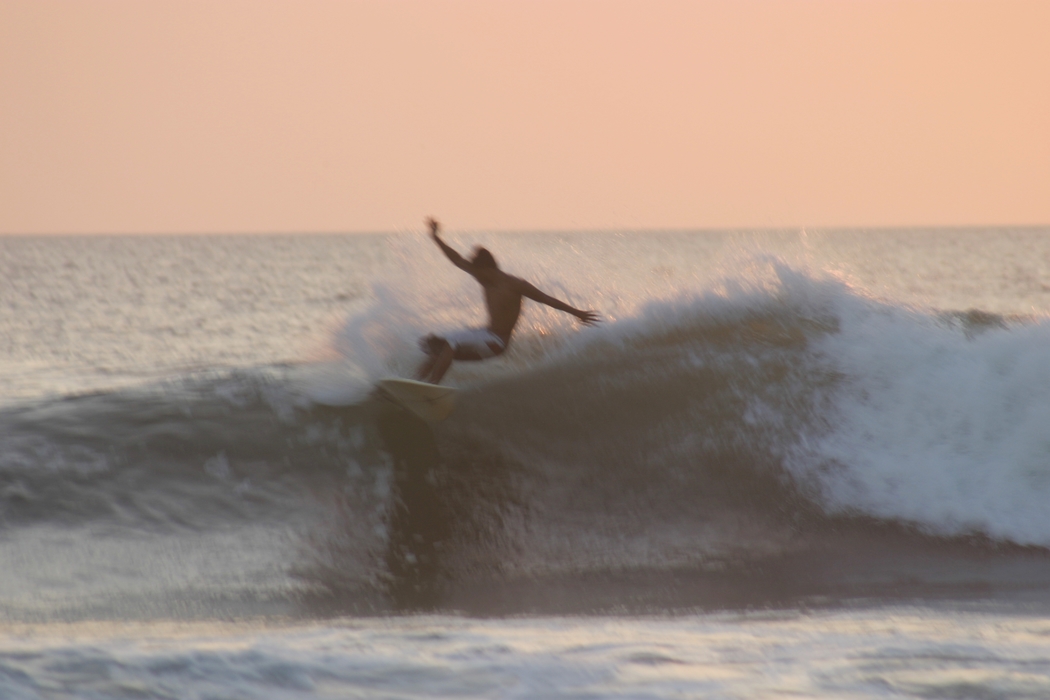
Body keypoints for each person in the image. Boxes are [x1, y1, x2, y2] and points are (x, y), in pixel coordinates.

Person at [416, 217, 600, 384]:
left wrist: (578, 313)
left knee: (450, 344)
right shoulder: (484, 278)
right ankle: (414, 383)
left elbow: (547, 299)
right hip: (483, 334)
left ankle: (431, 386)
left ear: (487, 268)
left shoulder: (515, 285)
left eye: (476, 270)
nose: (474, 274)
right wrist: (435, 237)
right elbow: (456, 260)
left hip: (497, 343)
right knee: (435, 346)